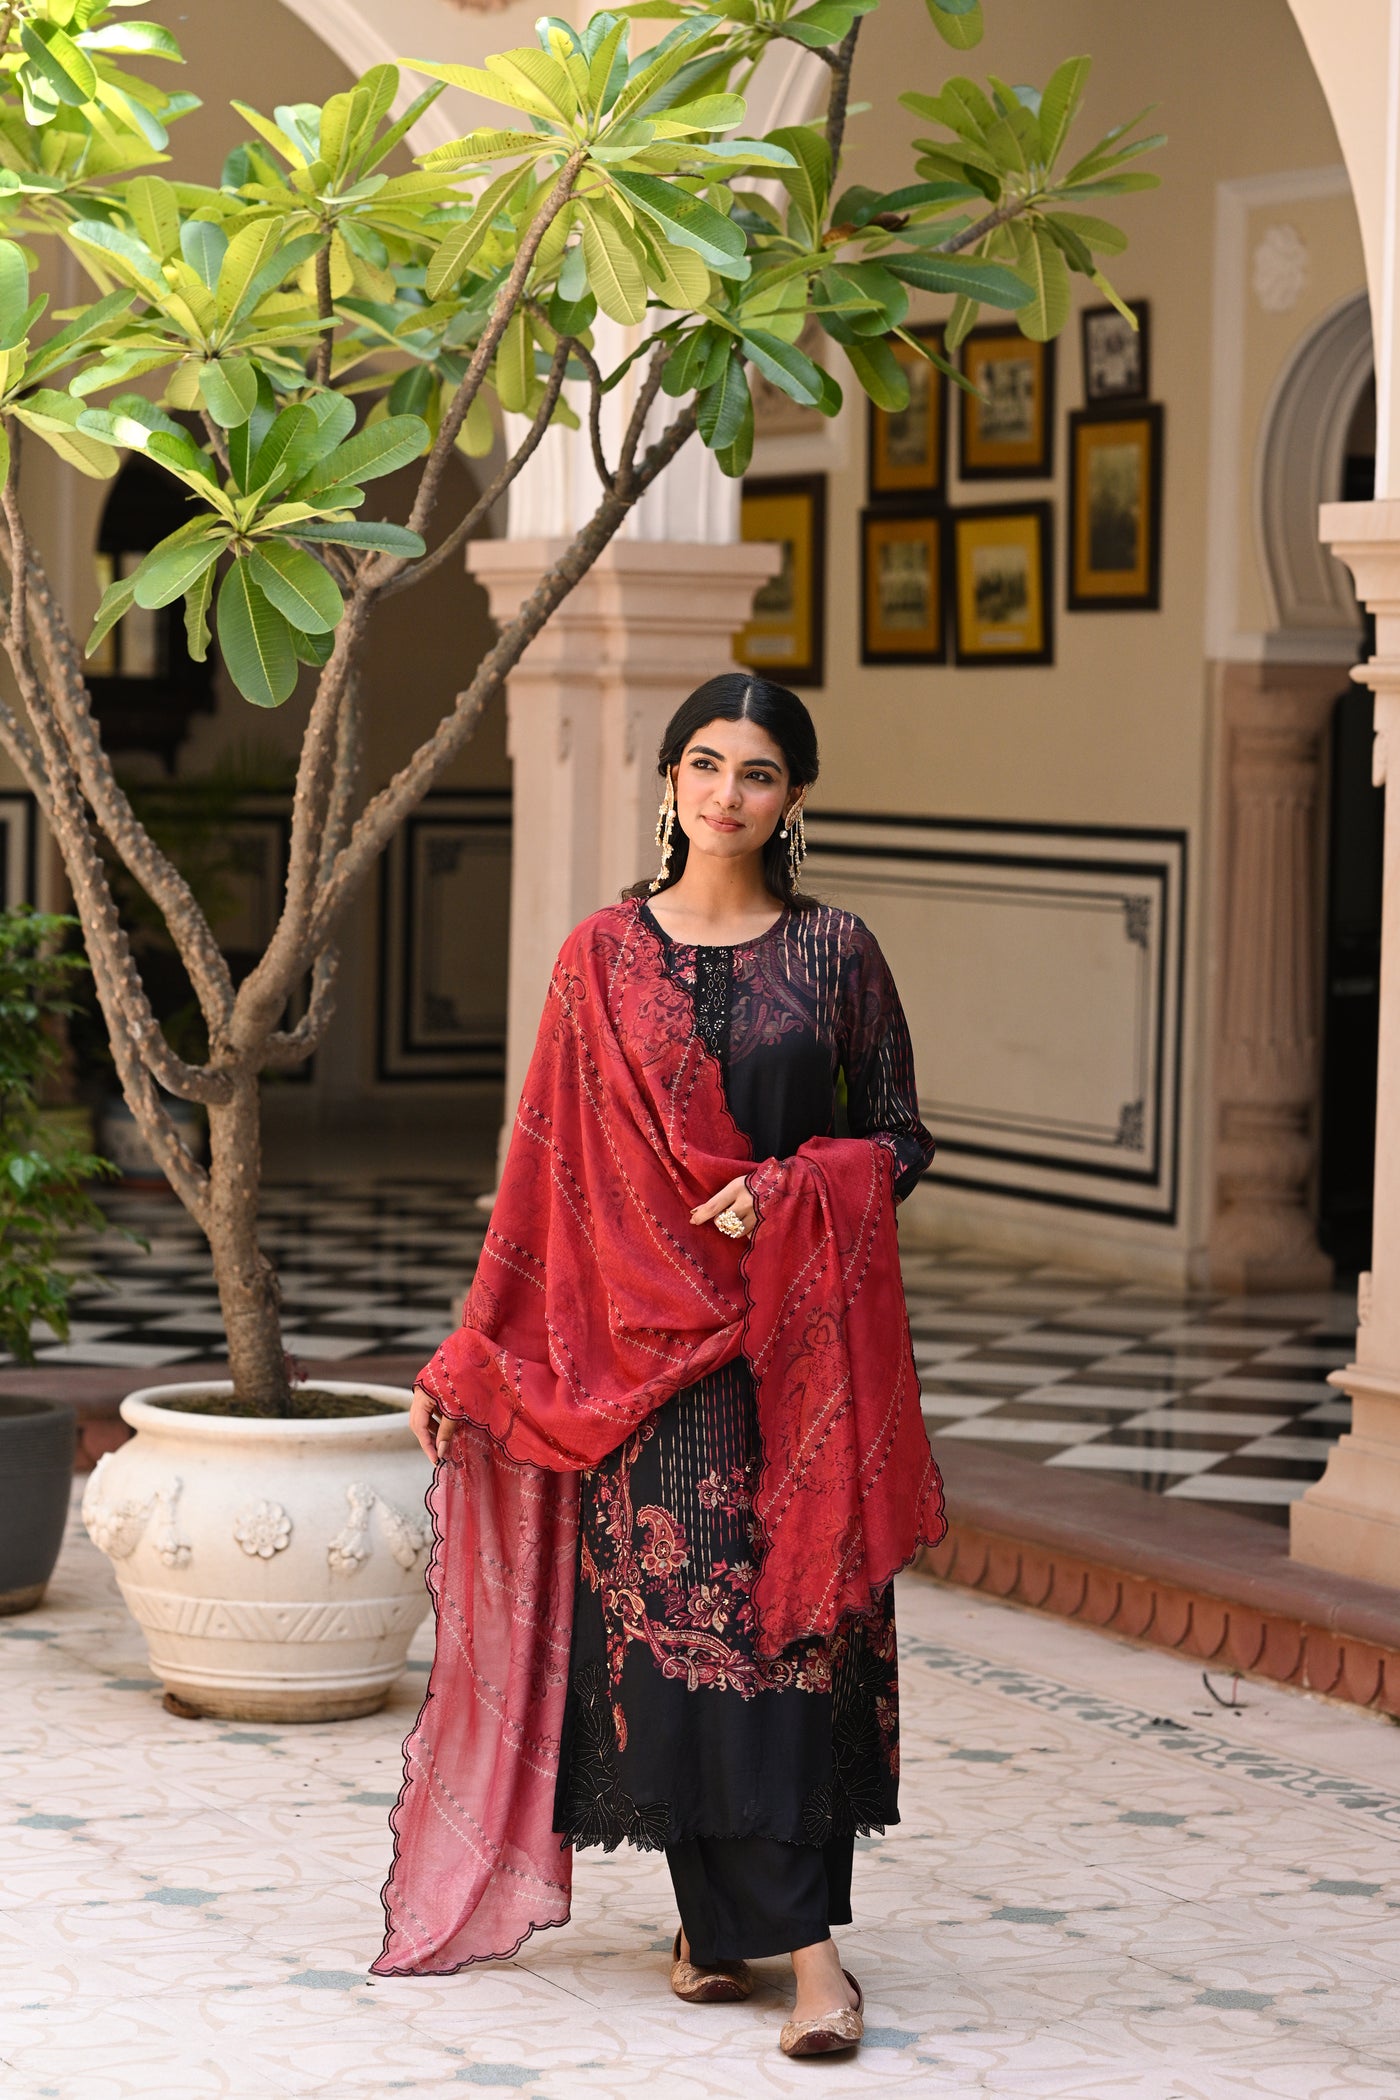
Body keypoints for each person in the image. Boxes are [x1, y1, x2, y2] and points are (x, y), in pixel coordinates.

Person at [376, 672, 944, 2060]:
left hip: (795, 1353)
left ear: (795, 796)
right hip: (641, 1360)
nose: (726, 794)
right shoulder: (599, 958)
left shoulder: (836, 954)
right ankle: (747, 1931)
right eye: (705, 764)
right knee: (686, 1652)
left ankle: (798, 1954)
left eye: (757, 772)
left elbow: (900, 1139)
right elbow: (542, 1178)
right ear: (669, 780)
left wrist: (796, 1187)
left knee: (789, 1642)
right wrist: (474, 1353)